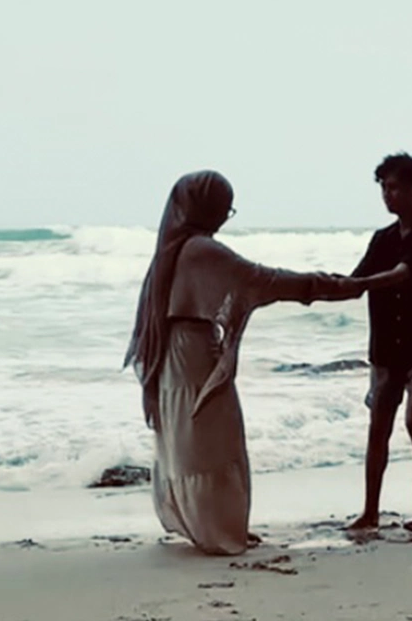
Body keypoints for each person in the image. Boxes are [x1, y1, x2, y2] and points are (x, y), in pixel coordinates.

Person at [125, 170, 362, 555]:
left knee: (194, 440)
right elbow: (261, 280)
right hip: (192, 351)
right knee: (212, 440)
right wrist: (333, 286)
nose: (224, 217)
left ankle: (211, 525)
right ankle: (218, 531)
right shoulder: (200, 250)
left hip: (174, 353)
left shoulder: (170, 251)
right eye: (224, 208)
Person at [347, 153, 412, 535]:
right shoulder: (382, 239)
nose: (387, 195)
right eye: (384, 188)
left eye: (394, 188)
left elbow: (402, 274)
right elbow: (356, 280)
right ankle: (369, 512)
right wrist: (314, 287)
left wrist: (357, 284)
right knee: (378, 428)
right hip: (387, 347)